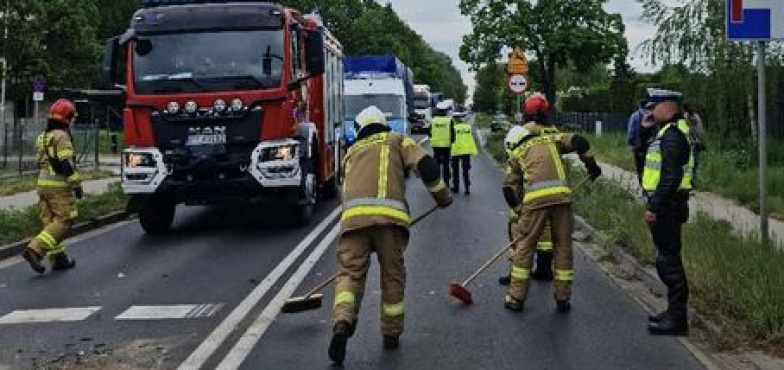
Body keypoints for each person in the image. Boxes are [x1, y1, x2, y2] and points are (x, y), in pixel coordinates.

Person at [329, 106, 453, 365]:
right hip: (389, 222)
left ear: (360, 128)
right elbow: (427, 166)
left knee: (349, 275)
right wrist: (442, 196)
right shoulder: (397, 141)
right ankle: (391, 334)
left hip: (354, 223)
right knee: (392, 275)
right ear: (384, 124)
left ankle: (342, 322)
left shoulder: (350, 153)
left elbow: (343, 190)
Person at [502, 122, 602, 313]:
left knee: (525, 247)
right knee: (563, 247)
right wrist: (592, 166)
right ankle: (563, 299)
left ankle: (515, 298)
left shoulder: (516, 154)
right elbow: (580, 141)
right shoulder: (551, 140)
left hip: (534, 203)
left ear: (512, 143)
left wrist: (518, 209)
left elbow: (508, 189)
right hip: (562, 200)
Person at [640, 88, 694, 336]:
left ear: (668, 107)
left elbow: (670, 177)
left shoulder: (673, 136)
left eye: (654, 107)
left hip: (668, 206)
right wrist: (645, 129)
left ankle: (677, 320)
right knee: (667, 258)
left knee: (669, 263)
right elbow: (645, 159)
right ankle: (672, 313)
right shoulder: (667, 132)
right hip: (669, 204)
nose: (650, 111)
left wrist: (655, 206)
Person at [498, 94, 561, 286]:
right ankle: (543, 269)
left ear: (527, 111)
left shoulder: (521, 132)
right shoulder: (553, 130)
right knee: (547, 230)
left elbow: (513, 157)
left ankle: (516, 273)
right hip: (552, 187)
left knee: (520, 229)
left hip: (527, 188)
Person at [21, 98, 82, 274]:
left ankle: (59, 259)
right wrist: (76, 184)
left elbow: (39, 161)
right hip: (59, 186)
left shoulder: (44, 136)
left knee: (50, 222)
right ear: (67, 118)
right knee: (66, 219)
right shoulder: (62, 136)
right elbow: (66, 164)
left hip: (43, 184)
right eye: (71, 117)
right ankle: (34, 250)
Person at [428, 101, 455, 187]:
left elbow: (429, 132)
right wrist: (452, 141)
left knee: (436, 164)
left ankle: (437, 183)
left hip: (436, 146)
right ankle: (446, 183)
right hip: (446, 146)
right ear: (445, 111)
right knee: (446, 165)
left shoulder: (433, 120)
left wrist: (434, 138)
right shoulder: (449, 120)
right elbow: (452, 133)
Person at [449, 110, 477, 195]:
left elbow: (450, 140)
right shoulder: (467, 127)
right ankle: (467, 188)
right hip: (466, 151)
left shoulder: (453, 128)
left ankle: (456, 188)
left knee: (455, 171)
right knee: (465, 171)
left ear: (454, 119)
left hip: (456, 151)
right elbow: (470, 139)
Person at [682, 103, 706, 188]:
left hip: (696, 142)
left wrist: (701, 141)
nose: (691, 108)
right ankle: (691, 182)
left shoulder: (695, 116)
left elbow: (700, 130)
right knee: (692, 163)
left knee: (695, 163)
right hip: (691, 143)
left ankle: (693, 182)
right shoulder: (686, 117)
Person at [627, 100, 650, 185]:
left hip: (638, 146)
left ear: (639, 105)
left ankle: (642, 184)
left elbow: (631, 132)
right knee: (651, 166)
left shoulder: (635, 116)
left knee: (640, 166)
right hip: (651, 145)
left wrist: (631, 144)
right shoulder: (653, 115)